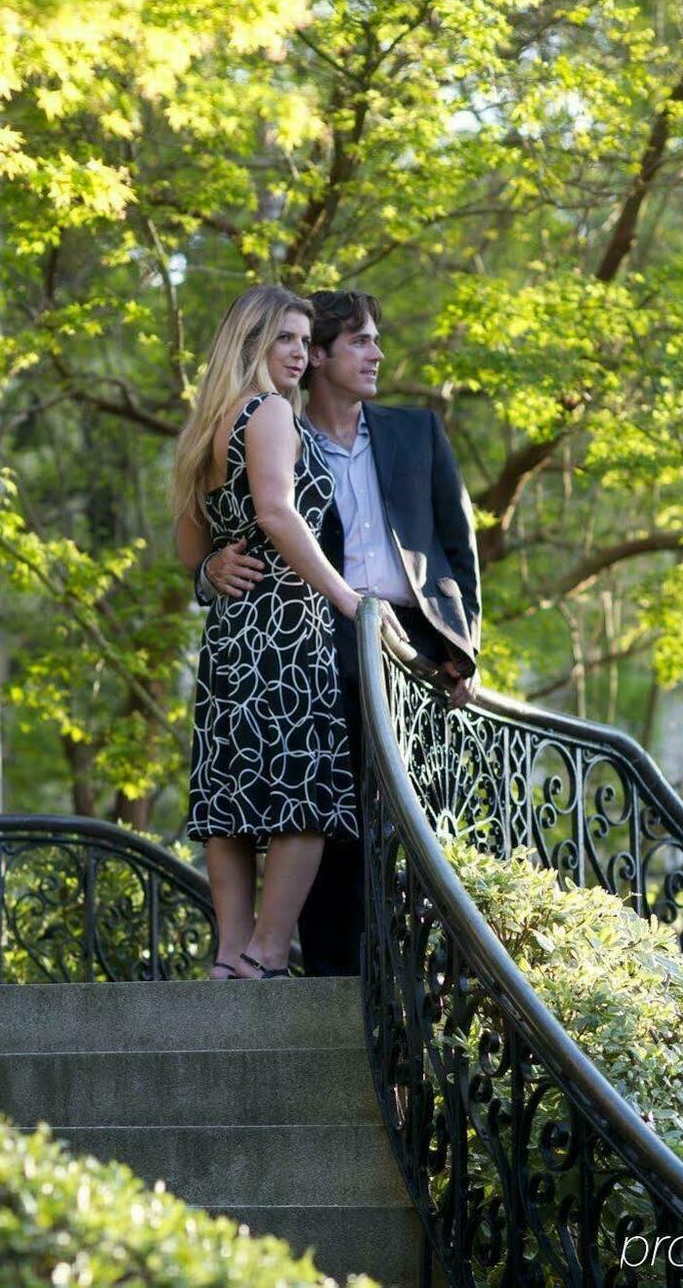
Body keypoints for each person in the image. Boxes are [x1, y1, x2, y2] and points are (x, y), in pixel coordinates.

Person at [192, 289, 481, 977]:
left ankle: (414, 980)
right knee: (320, 806)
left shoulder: (417, 432)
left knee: (413, 824)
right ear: (317, 355)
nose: (378, 354)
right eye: (360, 343)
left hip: (409, 647)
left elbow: (458, 547)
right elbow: (239, 525)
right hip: (318, 636)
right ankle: (322, 974)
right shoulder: (276, 426)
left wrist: (464, 650)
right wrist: (209, 568)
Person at [174, 286, 363, 980]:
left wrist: (212, 574)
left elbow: (193, 553)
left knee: (229, 797)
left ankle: (229, 957)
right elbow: (280, 514)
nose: (299, 353)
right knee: (304, 798)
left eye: (304, 341)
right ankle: (267, 953)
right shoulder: (272, 413)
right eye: (284, 338)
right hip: (288, 629)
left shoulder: (208, 426)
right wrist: (349, 601)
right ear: (251, 342)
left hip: (229, 635)